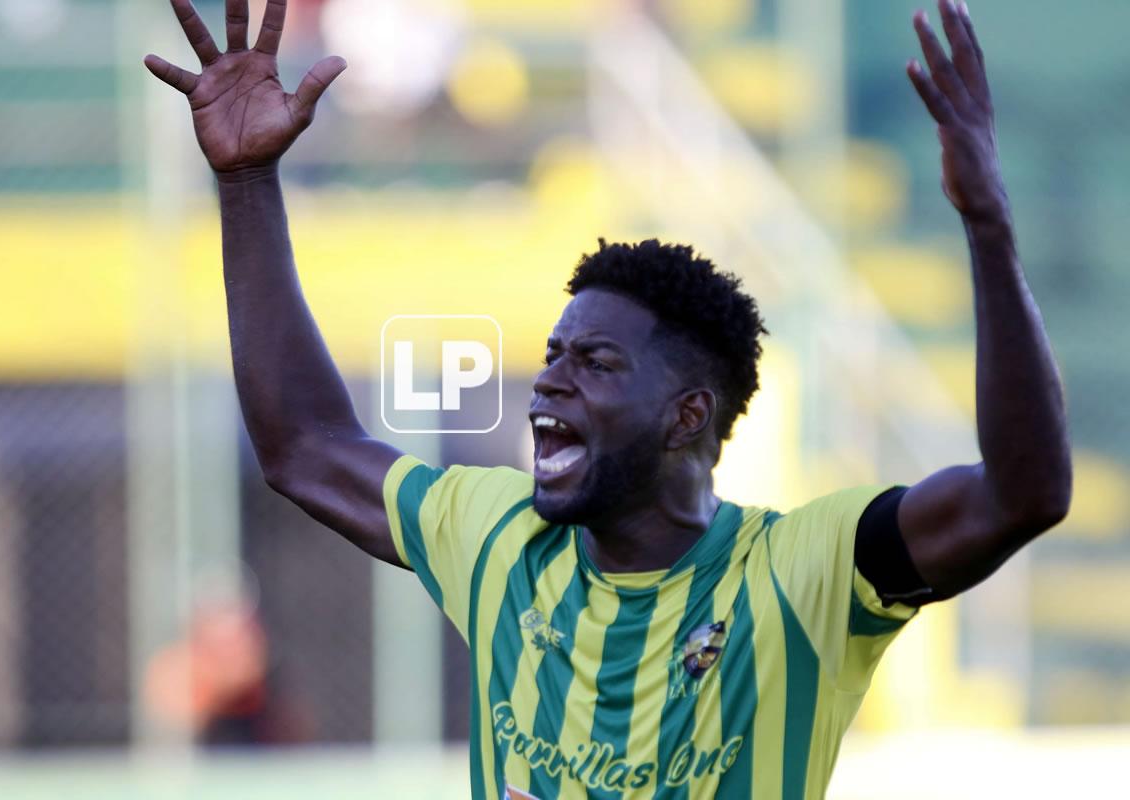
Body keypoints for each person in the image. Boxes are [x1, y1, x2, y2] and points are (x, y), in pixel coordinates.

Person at [143, 0, 1072, 796]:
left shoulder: (801, 571)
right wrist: (247, 183)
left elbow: (1022, 496)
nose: (549, 378)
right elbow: (304, 447)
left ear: (688, 416)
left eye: (594, 361)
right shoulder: (501, 539)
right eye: (552, 354)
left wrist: (988, 232)